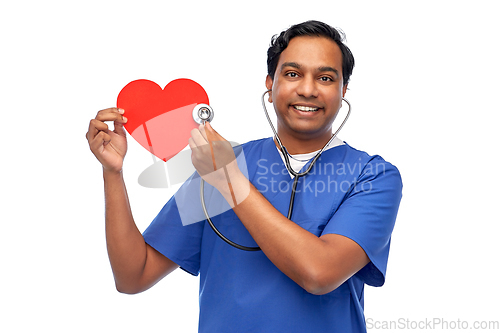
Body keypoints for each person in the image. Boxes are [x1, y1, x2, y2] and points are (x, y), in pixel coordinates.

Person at [86, 20, 403, 333]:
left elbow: (319, 273)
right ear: (270, 83)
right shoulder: (221, 162)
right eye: (292, 74)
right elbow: (132, 275)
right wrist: (112, 172)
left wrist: (228, 180)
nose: (307, 89)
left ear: (343, 89)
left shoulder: (373, 176)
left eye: (325, 78)